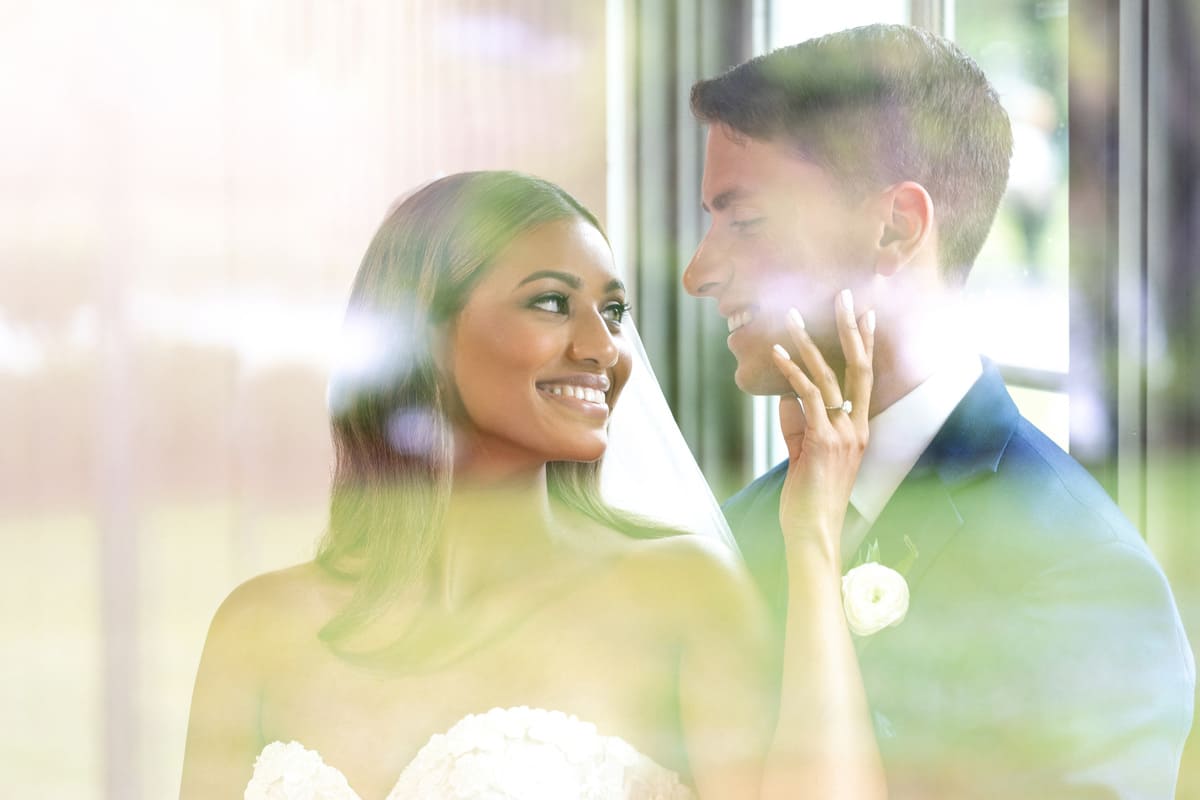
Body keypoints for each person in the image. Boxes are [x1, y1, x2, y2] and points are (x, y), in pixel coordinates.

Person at [179, 170, 885, 799]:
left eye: (613, 312)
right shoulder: (256, 632)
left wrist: (814, 538)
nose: (603, 349)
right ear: (418, 332)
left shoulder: (679, 597)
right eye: (551, 303)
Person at [683, 23, 1194, 799]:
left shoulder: (1085, 576)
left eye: (745, 222)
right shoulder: (731, 536)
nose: (698, 272)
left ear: (896, 228)